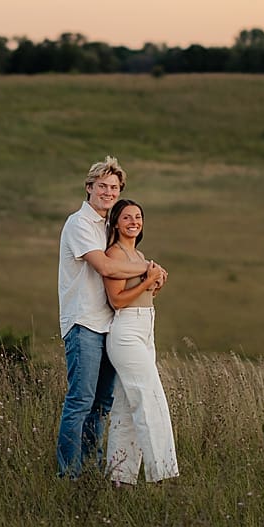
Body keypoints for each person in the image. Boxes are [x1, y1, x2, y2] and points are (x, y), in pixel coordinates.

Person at [57, 156, 166, 478]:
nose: (107, 192)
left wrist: (150, 275)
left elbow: (122, 270)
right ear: (89, 188)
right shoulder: (79, 224)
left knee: (102, 405)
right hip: (84, 323)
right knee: (80, 401)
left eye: (114, 188)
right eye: (102, 186)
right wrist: (150, 269)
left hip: (111, 325)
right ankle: (69, 475)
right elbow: (105, 267)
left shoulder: (108, 226)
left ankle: (92, 468)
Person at [102, 198, 177, 486]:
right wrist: (148, 280)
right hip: (126, 332)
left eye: (138, 217)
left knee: (124, 406)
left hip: (146, 327)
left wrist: (155, 285)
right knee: (152, 399)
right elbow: (117, 301)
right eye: (127, 218)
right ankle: (163, 473)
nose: (134, 222)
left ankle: (119, 478)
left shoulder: (140, 255)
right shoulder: (114, 255)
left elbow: (142, 297)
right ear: (116, 223)